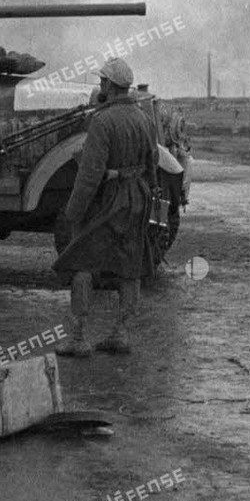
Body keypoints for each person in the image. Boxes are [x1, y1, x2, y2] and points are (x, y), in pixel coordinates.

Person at [52, 57, 157, 356]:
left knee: (82, 262)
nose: (100, 85)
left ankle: (78, 338)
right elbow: (151, 163)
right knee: (130, 267)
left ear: (110, 85)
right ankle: (121, 334)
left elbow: (89, 175)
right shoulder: (144, 119)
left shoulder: (102, 121)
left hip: (107, 201)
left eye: (101, 81)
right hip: (137, 198)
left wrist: (73, 212)